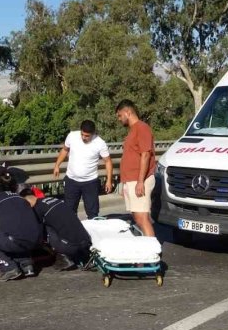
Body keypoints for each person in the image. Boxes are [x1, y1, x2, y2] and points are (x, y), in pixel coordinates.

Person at [0, 171, 43, 281]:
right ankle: (27, 264)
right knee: (16, 230)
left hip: (16, 240)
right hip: (34, 240)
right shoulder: (22, 198)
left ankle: (9, 268)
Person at [53, 120, 113, 220]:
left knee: (93, 213)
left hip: (90, 183)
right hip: (71, 181)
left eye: (87, 136)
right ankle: (72, 234)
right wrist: (57, 165)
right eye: (82, 134)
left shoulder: (100, 143)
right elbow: (65, 150)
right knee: (69, 212)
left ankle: (94, 232)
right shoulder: (72, 136)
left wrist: (109, 181)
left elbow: (108, 161)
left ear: (93, 134)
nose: (84, 138)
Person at [116, 100, 157, 237]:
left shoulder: (142, 128)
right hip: (132, 180)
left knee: (142, 218)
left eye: (120, 115)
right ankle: (148, 249)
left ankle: (152, 253)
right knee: (137, 217)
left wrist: (140, 181)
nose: (119, 119)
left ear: (128, 112)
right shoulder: (133, 130)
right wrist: (124, 183)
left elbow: (145, 155)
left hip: (140, 180)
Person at [22, 195, 91, 271]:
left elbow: (38, 233)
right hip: (86, 240)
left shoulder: (38, 209)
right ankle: (81, 254)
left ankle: (63, 257)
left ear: (29, 204)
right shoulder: (53, 199)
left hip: (70, 246)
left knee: (44, 228)